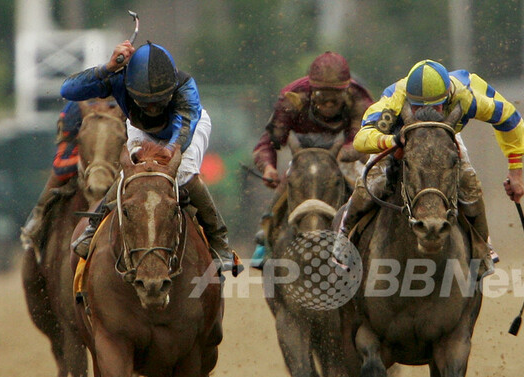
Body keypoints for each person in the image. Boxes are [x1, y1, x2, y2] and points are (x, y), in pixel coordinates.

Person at [60, 40, 243, 274]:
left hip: (186, 129)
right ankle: (94, 226)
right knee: (132, 173)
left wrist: (171, 149)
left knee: (184, 173)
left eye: (159, 102)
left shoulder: (185, 86)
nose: (153, 109)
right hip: (141, 129)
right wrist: (106, 68)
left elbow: (184, 128)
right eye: (145, 102)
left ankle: (219, 241)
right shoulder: (119, 78)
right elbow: (68, 90)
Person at [335, 59, 524, 269]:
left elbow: (510, 118)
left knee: (469, 183)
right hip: (400, 138)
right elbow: (362, 139)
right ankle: (345, 234)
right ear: (408, 99)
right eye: (417, 107)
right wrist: (391, 140)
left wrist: (515, 170)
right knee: (370, 183)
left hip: (444, 138)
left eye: (435, 106)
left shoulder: (467, 96)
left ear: (447, 98)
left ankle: (481, 246)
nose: (425, 111)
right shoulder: (395, 97)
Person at [248, 51, 374, 269]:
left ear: (346, 90)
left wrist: (339, 154)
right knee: (287, 187)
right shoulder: (291, 98)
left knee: (366, 192)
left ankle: (369, 242)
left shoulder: (359, 98)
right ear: (310, 90)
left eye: (335, 97)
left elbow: (362, 140)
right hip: (303, 152)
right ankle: (266, 238)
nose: (328, 104)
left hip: (343, 153)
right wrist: (269, 168)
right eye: (321, 96)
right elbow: (268, 142)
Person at [20, 101, 85, 250]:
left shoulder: (125, 97)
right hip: (82, 166)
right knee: (55, 180)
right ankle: (38, 219)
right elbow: (60, 166)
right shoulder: (76, 107)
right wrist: (86, 160)